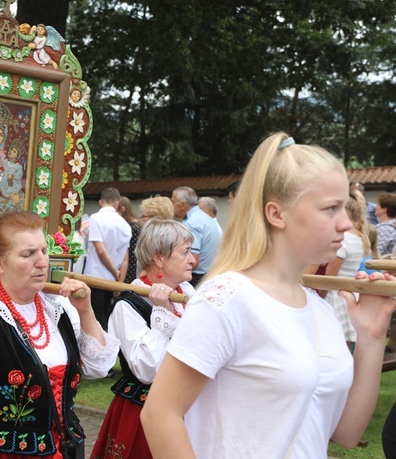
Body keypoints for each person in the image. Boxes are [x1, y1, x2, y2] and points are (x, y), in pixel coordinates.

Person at [141, 133, 396, 457]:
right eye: (331, 208)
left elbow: (346, 432)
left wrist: (372, 337)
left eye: (345, 207)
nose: (346, 223)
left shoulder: (319, 309)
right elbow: (160, 414)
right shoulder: (226, 298)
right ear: (276, 214)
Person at [0, 211, 119, 458]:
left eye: (44, 251)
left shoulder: (58, 307)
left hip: (65, 448)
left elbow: (98, 367)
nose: (41, 262)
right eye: (28, 254)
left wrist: (85, 309)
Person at [91, 218, 195, 459]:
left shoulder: (187, 292)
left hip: (186, 407)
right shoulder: (128, 306)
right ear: (159, 258)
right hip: (144, 412)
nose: (193, 260)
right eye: (185, 252)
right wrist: (162, 313)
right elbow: (148, 370)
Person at [324, 194, 372, 351]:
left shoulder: (344, 239)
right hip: (350, 292)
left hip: (337, 295)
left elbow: (330, 276)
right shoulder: (359, 236)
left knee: (337, 343)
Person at [84, 187, 132, 329]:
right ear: (117, 202)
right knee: (106, 314)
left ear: (100, 202)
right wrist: (119, 280)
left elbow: (100, 250)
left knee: (96, 317)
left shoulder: (96, 218)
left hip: (95, 276)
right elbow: (125, 259)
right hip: (112, 280)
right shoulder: (124, 225)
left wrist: (113, 271)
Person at [170, 186, 220, 286]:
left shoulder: (191, 223)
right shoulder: (205, 217)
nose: (171, 205)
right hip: (209, 273)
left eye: (173, 202)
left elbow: (193, 260)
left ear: (182, 204)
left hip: (196, 277)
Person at [117, 196, 142, 284]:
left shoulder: (132, 228)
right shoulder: (136, 225)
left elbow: (131, 254)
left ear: (122, 209)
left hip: (131, 268)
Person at [375, 193, 396, 257]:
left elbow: (377, 251)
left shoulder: (386, 229)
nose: (375, 207)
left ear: (384, 209)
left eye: (378, 205)